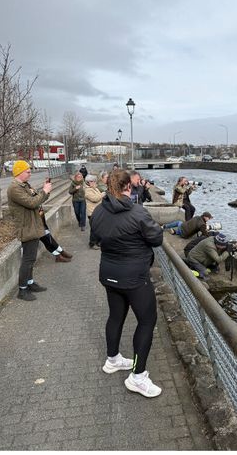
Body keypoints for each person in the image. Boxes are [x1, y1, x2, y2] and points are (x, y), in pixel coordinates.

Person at [90, 169, 164, 398]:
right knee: (147, 321)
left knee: (115, 316)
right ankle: (137, 377)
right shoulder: (137, 212)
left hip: (109, 274)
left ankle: (112, 360)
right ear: (128, 187)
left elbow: (96, 238)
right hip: (134, 278)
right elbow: (156, 238)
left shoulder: (99, 211)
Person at [7, 160, 53, 301]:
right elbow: (32, 203)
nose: (30, 173)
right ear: (19, 172)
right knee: (28, 259)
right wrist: (44, 191)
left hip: (33, 226)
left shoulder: (24, 185)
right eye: (27, 171)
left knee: (31, 258)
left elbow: (37, 199)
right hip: (26, 228)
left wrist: (45, 191)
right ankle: (22, 290)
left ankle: (30, 283)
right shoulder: (14, 188)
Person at [84, 174, 105, 249]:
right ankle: (92, 243)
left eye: (94, 181)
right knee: (94, 229)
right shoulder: (87, 190)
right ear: (88, 182)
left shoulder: (94, 188)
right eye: (92, 181)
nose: (94, 182)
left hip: (98, 211)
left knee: (99, 228)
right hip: (92, 212)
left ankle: (98, 242)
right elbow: (95, 199)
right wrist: (102, 194)